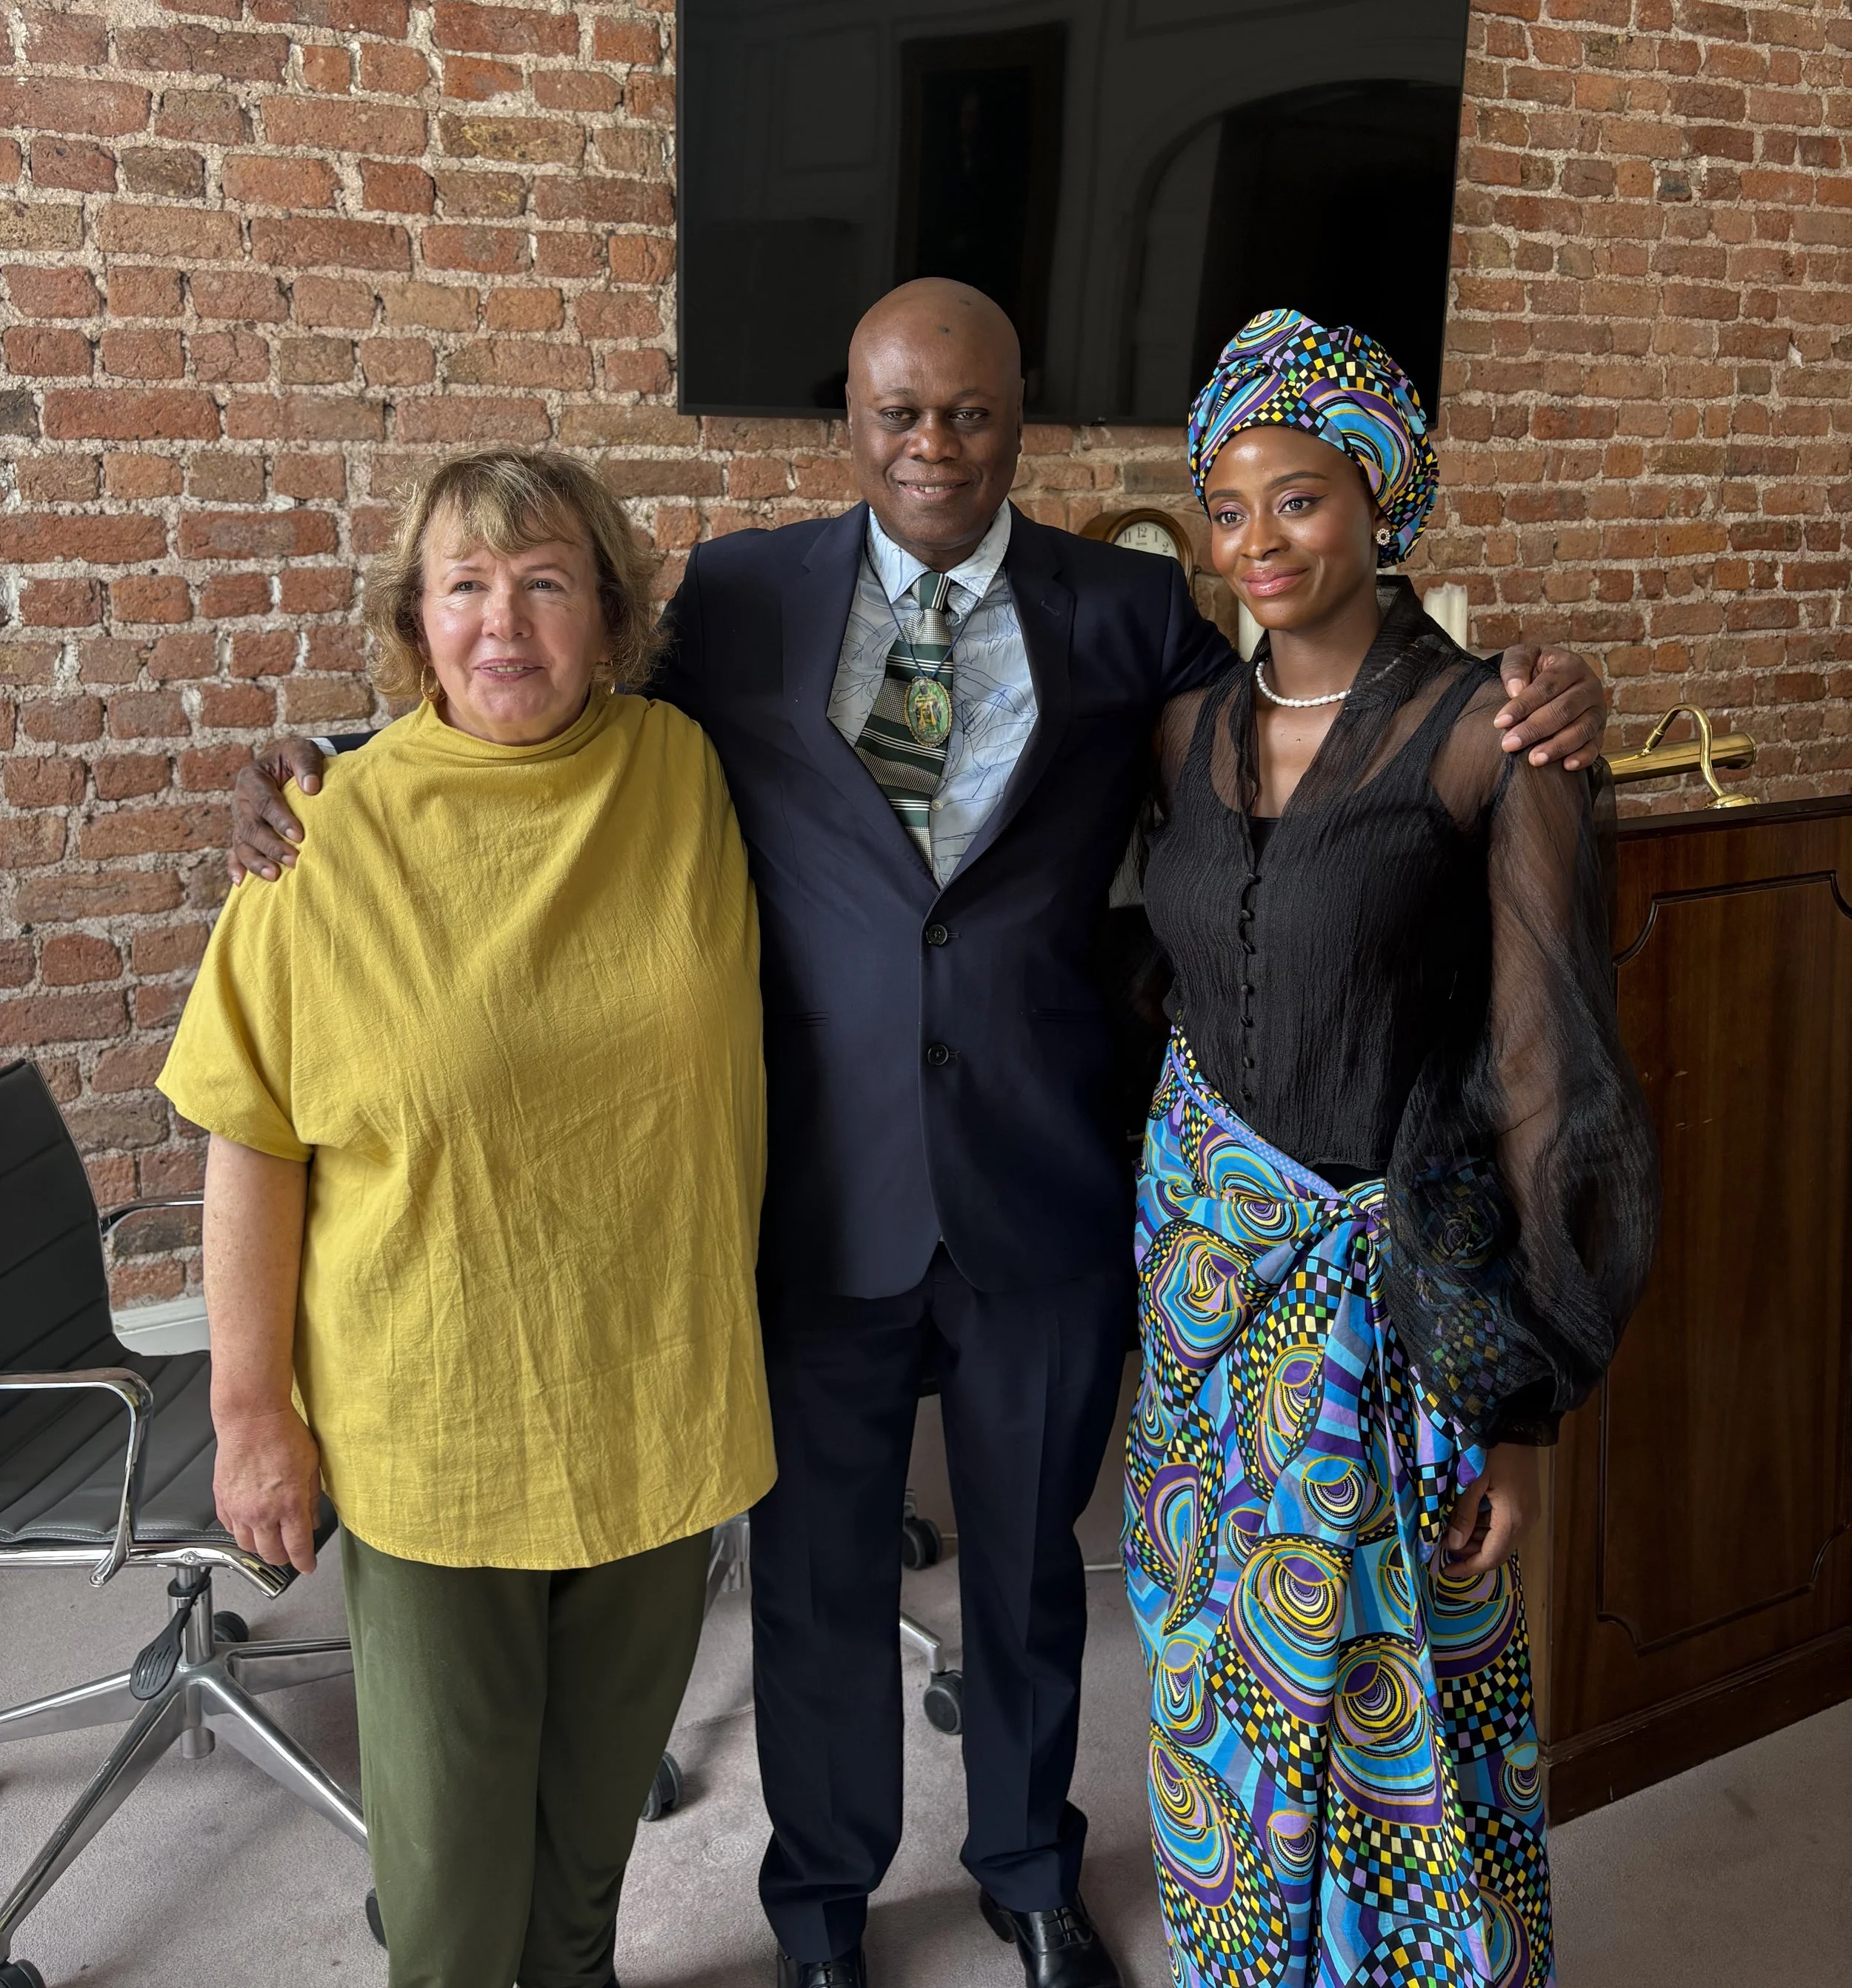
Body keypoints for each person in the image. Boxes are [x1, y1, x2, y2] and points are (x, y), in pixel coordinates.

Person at [228, 281, 1608, 1988]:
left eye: (966, 413)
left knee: (1035, 1570)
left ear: (1019, 417)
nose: (931, 445)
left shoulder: (1128, 609)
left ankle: (1030, 1871)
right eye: (896, 412)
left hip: (1042, 1188)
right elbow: (540, 698)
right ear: (850, 420)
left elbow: (1308, 708)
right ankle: (819, 1904)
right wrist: (327, 762)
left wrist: (1532, 687)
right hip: (814, 1198)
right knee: (813, 1589)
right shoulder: (739, 593)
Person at [161, 449, 773, 1988]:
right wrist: (251, 1414)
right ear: (414, 622)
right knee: (447, 1892)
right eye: (465, 585)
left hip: (656, 1394)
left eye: (547, 580)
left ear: (615, 615)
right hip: (437, 1421)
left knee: (584, 1862)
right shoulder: (318, 833)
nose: (505, 623)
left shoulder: (682, 775)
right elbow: (250, 1134)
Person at [1127, 309, 1659, 1988]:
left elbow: (1540, 1065)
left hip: (1389, 1316)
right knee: (1218, 1683)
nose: (1256, 543)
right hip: (1200, 1306)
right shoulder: (1178, 734)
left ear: (1377, 499)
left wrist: (1510, 1402)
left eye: (1297, 498)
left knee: (1392, 1708)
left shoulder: (1486, 729)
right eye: (1225, 506)